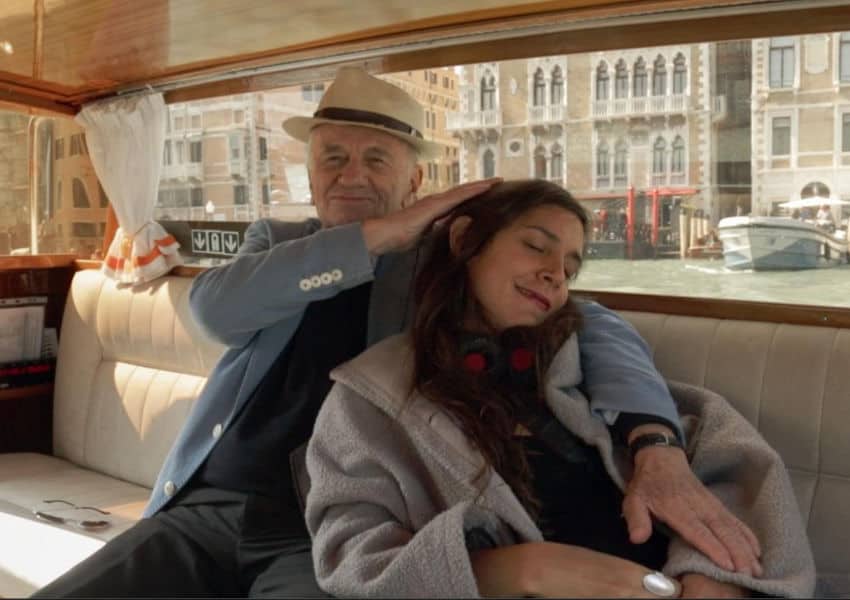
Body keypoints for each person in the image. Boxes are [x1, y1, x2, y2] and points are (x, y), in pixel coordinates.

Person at [34, 67, 757, 598]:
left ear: (417, 180)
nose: (350, 174)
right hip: (206, 506)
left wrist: (655, 444)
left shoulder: (444, 266)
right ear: (310, 173)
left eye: (377, 159)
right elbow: (213, 312)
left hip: (328, 529)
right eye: (333, 157)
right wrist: (369, 237)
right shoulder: (277, 242)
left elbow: (590, 324)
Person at [305, 180, 816, 598]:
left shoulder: (590, 363)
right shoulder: (368, 395)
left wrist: (715, 577)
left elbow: (728, 458)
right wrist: (521, 570)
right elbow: (351, 555)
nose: (554, 274)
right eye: (535, 245)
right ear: (464, 241)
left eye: (570, 268)